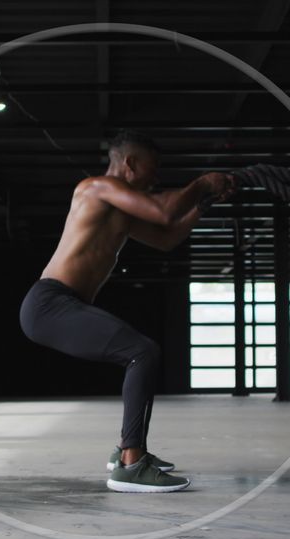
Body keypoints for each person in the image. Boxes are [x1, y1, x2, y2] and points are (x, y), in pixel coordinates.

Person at [18, 130, 236, 493]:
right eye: (153, 168)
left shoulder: (121, 212)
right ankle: (131, 462)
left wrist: (202, 204)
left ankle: (126, 452)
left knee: (142, 352)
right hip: (49, 304)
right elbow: (164, 211)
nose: (156, 177)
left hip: (64, 304)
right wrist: (201, 184)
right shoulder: (96, 188)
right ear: (130, 164)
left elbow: (166, 237)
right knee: (142, 352)